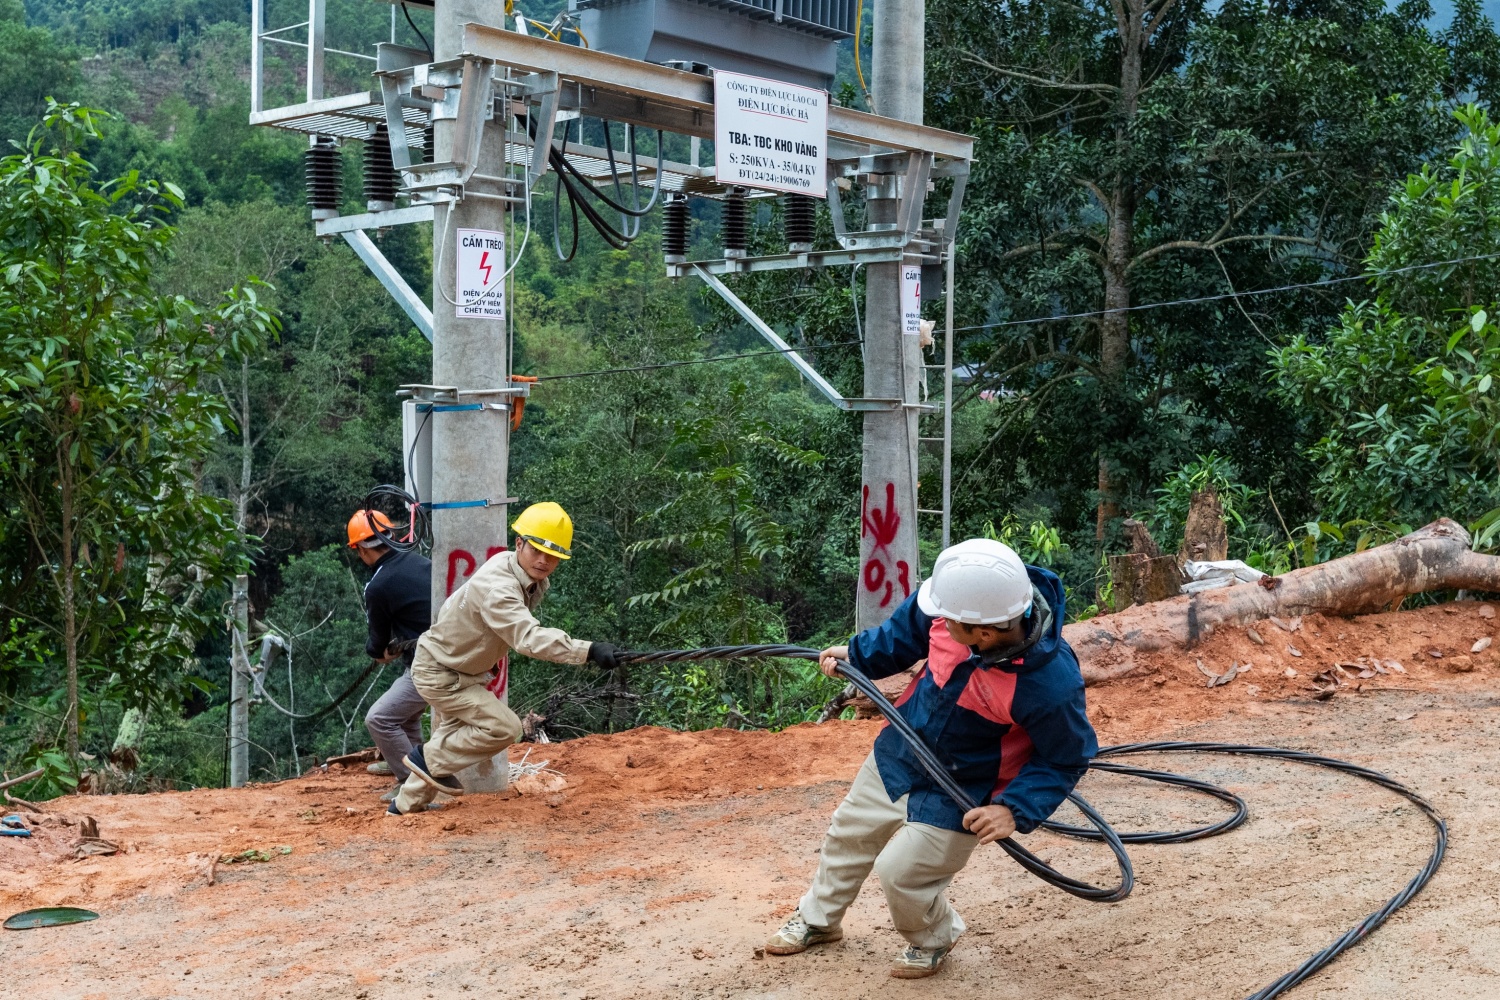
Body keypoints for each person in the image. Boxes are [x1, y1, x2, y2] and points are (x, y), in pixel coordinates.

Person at [763, 538, 1097, 979]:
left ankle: (934, 937)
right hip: (901, 751)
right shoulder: (962, 603)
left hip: (964, 789)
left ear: (984, 633)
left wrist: (1012, 809)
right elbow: (906, 631)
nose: (938, 616)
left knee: (902, 873)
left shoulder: (1049, 685)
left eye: (947, 617)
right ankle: (818, 921)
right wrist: (859, 654)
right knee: (848, 835)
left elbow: (1066, 757)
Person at [389, 501, 623, 815]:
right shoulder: (500, 587)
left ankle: (403, 808)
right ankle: (425, 760)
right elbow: (527, 637)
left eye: (553, 555)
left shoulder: (519, 569)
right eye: (536, 550)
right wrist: (588, 650)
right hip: (443, 673)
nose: (543, 560)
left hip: (463, 669)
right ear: (519, 543)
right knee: (504, 728)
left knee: (448, 738)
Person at [347, 510, 433, 802]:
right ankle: (407, 759)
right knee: (405, 714)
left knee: (380, 718)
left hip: (433, 665)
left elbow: (378, 644)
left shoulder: (378, 586)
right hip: (440, 653)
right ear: (391, 536)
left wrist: (379, 652)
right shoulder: (418, 560)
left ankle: (413, 780)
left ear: (360, 550)